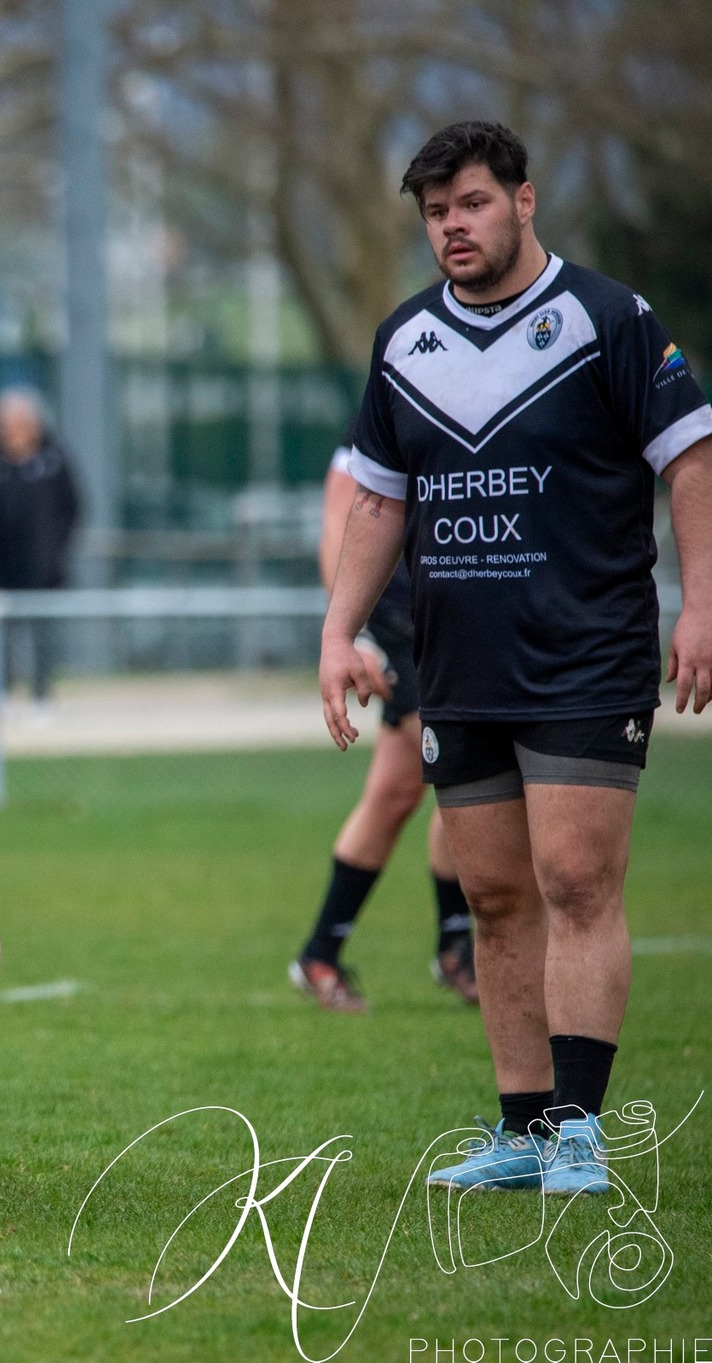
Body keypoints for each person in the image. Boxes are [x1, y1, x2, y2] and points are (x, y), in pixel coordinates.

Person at [319, 121, 712, 1197]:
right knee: (492, 895)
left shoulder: (605, 321)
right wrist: (337, 627)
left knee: (574, 878)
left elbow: (690, 458)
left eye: (472, 203)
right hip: (460, 663)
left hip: (588, 652)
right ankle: (521, 1130)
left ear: (522, 201)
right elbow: (377, 503)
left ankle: (579, 1135)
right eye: (436, 211)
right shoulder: (404, 342)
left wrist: (700, 604)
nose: (453, 225)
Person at [291, 435, 477, 1012]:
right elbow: (336, 524)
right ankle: (446, 947)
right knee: (451, 773)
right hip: (397, 621)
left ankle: (444, 945)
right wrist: (357, 634)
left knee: (430, 784)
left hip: (453, 610)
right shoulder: (392, 392)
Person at [0, 388, 79, 704]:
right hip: (0, 570)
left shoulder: (54, 462)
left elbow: (73, 507)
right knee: (1, 635)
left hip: (42, 570)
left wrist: (55, 549)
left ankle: (40, 695)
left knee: (42, 634)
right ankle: (0, 694)